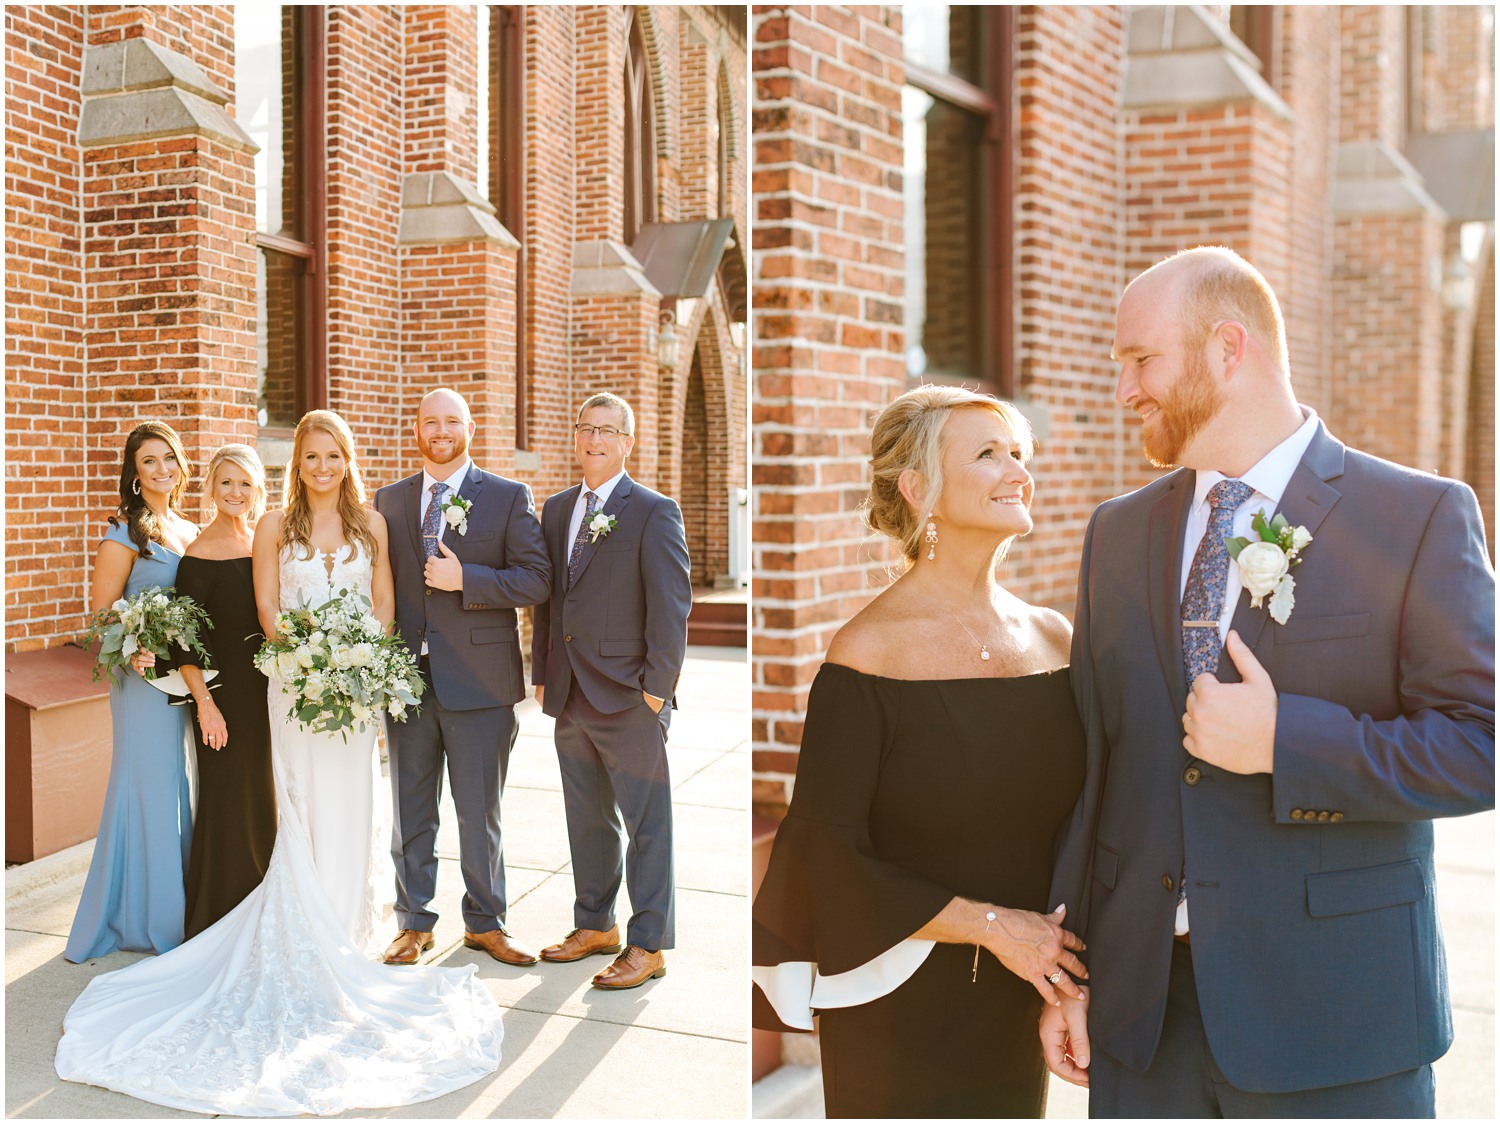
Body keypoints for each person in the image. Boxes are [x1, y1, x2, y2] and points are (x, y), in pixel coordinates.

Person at [1040, 246, 1496, 1117]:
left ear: (1227, 348)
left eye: (1141, 361)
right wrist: (1072, 969)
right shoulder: (1117, 532)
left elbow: (1482, 747)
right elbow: (1098, 769)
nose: (1125, 389)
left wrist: (1287, 743)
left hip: (1334, 1023)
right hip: (1143, 1029)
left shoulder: (1419, 517)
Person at [55, 410, 505, 1116]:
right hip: (294, 688)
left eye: (332, 455)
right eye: (310, 456)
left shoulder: (372, 524)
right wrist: (307, 659)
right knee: (293, 805)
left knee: (352, 804)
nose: (321, 466)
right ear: (295, 463)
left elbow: (384, 602)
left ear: (346, 460)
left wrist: (360, 660)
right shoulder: (276, 526)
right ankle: (302, 930)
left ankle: (346, 933)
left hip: (354, 695)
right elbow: (267, 607)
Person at [751, 385, 1089, 1118]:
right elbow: (823, 853)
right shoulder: (868, 653)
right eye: (988, 454)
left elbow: (1090, 823)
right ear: (917, 488)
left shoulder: (1057, 640)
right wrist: (994, 928)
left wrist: (1068, 980)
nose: (1017, 471)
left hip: (1023, 991)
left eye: (1019, 454)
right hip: (897, 1003)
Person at [373, 387, 551, 968]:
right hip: (408, 682)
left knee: (480, 812)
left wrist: (466, 580)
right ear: (416, 428)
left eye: (452, 421)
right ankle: (413, 924)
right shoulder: (390, 500)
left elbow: (536, 580)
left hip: (481, 684)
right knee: (411, 809)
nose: (441, 430)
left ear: (469, 427)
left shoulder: (505, 496)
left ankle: (487, 922)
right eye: (430, 421)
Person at [531, 391, 692, 990]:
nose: (595, 439)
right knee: (587, 818)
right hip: (570, 694)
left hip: (629, 697)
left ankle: (648, 944)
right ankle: (594, 924)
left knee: (648, 824)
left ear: (629, 441)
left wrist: (655, 692)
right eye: (586, 428)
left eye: (608, 430)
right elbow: (552, 598)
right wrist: (544, 673)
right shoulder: (554, 510)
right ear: (576, 437)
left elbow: (672, 608)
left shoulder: (653, 511)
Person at [64, 421, 198, 964]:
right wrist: (133, 648)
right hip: (140, 679)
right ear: (134, 471)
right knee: (145, 786)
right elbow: (100, 615)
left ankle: (172, 906)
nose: (162, 468)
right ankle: (142, 919)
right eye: (149, 461)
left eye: (169, 458)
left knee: (174, 786)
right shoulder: (124, 530)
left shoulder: (189, 529)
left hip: (181, 678)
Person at [172, 444, 276, 938]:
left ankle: (263, 906)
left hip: (267, 694)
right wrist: (206, 706)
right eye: (226, 482)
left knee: (263, 798)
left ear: (258, 490)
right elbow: (184, 642)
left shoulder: (262, 540)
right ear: (210, 487)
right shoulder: (198, 554)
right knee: (228, 801)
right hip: (224, 698)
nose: (235, 492)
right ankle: (222, 918)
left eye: (245, 484)